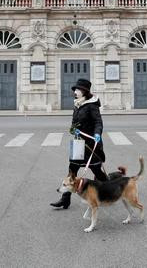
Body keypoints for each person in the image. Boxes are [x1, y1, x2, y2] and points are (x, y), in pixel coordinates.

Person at [50, 78, 108, 209]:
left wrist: (97, 133)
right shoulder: (77, 104)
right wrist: (73, 128)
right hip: (78, 143)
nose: (75, 92)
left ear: (84, 91)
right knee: (72, 171)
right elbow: (74, 122)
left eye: (77, 89)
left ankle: (110, 190)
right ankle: (65, 200)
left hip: (91, 143)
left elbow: (98, 122)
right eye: (75, 90)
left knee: (97, 171)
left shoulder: (92, 105)